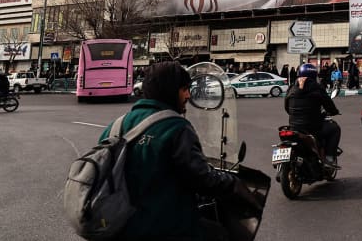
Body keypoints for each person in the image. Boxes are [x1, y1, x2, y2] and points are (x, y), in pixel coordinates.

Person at [98, 62, 260, 240]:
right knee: (219, 234)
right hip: (165, 227)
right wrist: (234, 183)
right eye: (184, 89)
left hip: (116, 227)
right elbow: (202, 178)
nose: (188, 95)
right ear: (169, 91)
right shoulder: (176, 127)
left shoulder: (114, 127)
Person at [284, 63, 342, 166]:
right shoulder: (317, 88)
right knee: (335, 128)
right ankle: (329, 157)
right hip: (312, 128)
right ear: (314, 75)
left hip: (294, 127)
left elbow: (286, 107)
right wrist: (334, 111)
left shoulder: (291, 88)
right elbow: (329, 104)